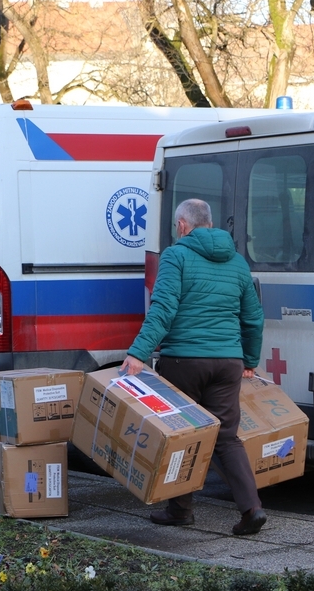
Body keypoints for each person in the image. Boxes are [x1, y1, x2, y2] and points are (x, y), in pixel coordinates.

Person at [120, 198, 267, 536]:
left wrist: (138, 353)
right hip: (228, 362)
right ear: (210, 223)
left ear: (183, 225)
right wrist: (249, 360)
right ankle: (252, 508)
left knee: (185, 435)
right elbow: (253, 319)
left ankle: (180, 510)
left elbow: (163, 308)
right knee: (227, 438)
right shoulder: (239, 262)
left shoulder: (176, 255)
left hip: (184, 361)